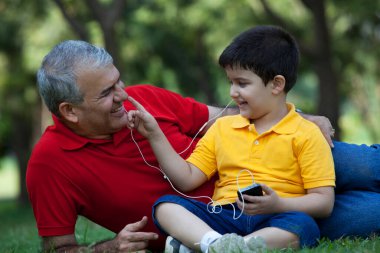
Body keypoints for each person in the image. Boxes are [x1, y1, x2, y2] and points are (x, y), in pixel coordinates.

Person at [26, 39, 379, 253]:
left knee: (368, 166)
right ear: (70, 111)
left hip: (278, 153)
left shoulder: (143, 97)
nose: (123, 96)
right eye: (106, 94)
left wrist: (300, 116)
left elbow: (224, 116)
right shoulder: (49, 164)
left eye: (119, 82)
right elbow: (57, 248)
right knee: (372, 213)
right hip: (240, 220)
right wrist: (109, 248)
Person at [126, 25, 335, 252]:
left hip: (277, 216)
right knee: (165, 207)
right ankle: (214, 244)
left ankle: (226, 247)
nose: (232, 92)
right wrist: (154, 135)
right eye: (231, 82)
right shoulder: (223, 128)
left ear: (276, 84)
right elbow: (186, 179)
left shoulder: (306, 133)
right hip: (224, 216)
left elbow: (324, 202)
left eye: (242, 83)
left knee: (304, 226)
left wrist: (278, 204)